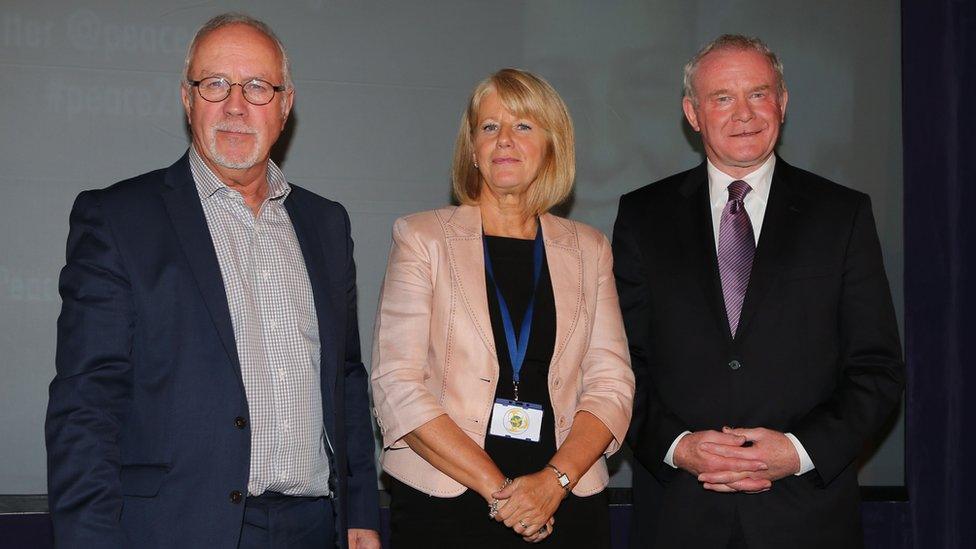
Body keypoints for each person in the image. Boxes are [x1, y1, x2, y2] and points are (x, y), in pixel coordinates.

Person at [45, 13, 380, 549]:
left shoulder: (327, 224)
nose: (235, 105)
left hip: (316, 528)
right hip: (176, 530)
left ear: (285, 105)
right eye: (215, 84)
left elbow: (345, 378)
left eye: (257, 87)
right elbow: (86, 403)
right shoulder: (118, 218)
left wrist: (362, 511)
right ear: (187, 99)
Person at [613, 35, 904, 548]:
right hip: (680, 515)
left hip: (806, 517)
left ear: (783, 103)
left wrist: (798, 451)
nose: (743, 113)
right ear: (693, 113)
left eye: (759, 93)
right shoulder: (642, 216)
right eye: (722, 97)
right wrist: (678, 447)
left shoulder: (843, 214)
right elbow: (620, 365)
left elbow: (876, 368)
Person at [370, 68, 634, 548]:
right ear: (473, 148)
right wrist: (506, 494)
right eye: (490, 127)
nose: (505, 140)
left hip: (567, 503)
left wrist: (552, 483)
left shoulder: (590, 249)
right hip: (449, 505)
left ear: (552, 145)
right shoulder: (422, 238)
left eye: (524, 126)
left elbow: (611, 386)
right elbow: (396, 386)